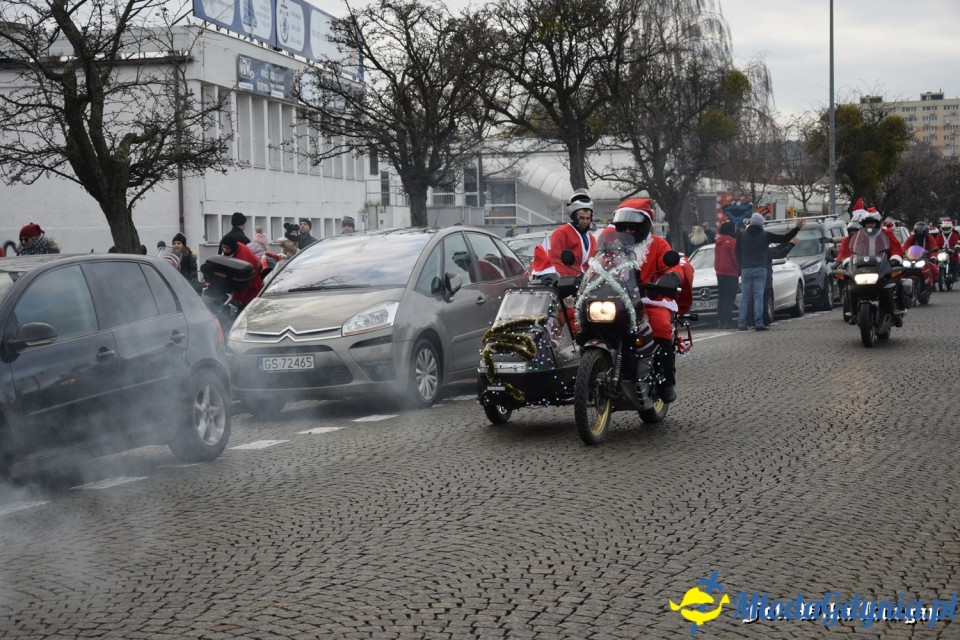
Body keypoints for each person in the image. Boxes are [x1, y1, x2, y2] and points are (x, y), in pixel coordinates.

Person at [608, 197, 684, 403]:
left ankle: (666, 380)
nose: (628, 231)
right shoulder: (611, 247)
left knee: (659, 326)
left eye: (633, 227)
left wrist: (672, 277)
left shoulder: (658, 244)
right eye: (624, 227)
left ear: (643, 226)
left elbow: (673, 266)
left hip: (650, 300)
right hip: (617, 301)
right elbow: (596, 266)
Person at [735, 213, 805, 331]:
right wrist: (797, 228)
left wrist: (741, 264)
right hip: (760, 268)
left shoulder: (741, 235)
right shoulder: (765, 235)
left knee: (745, 297)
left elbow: (737, 251)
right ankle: (758, 322)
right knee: (759, 296)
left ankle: (742, 323)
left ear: (751, 222)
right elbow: (784, 238)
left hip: (746, 268)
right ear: (761, 224)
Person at [548, 188, 597, 276]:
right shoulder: (561, 233)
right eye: (581, 218)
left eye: (587, 218)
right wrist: (563, 280)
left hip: (586, 281)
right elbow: (555, 261)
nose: (585, 221)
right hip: (568, 280)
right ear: (574, 217)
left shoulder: (592, 239)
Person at [219, 234, 263, 309]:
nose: (225, 250)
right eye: (223, 247)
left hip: (251, 288)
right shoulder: (236, 247)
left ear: (232, 248)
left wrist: (235, 301)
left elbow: (242, 285)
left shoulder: (241, 261)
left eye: (227, 248)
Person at [714, 221, 740, 330]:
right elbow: (735, 258)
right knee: (729, 298)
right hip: (731, 273)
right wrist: (739, 269)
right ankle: (728, 321)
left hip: (720, 272)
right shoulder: (732, 242)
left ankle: (721, 321)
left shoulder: (718, 242)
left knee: (722, 297)